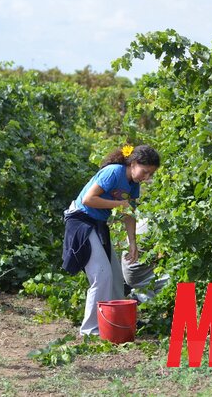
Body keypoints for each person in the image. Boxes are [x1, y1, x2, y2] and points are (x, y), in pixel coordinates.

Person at [62, 144, 160, 336]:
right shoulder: (113, 172)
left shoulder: (134, 185)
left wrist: (133, 244)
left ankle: (116, 323)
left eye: (150, 175)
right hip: (80, 221)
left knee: (116, 277)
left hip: (98, 224)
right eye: (145, 172)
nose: (146, 177)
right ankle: (90, 331)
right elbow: (88, 200)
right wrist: (119, 203)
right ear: (133, 163)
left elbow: (128, 213)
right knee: (102, 275)